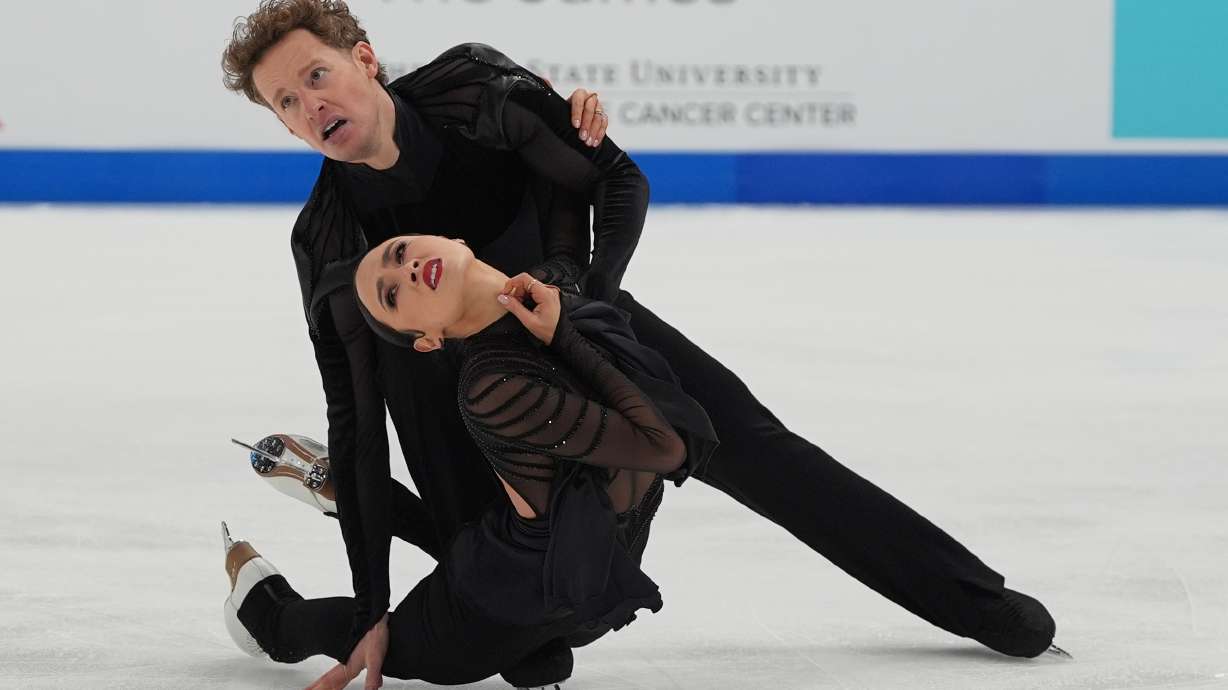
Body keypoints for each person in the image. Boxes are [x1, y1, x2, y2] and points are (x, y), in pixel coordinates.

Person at [220, 0, 1065, 686]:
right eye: (286, 103)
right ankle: (363, 508)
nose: (310, 106)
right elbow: (361, 419)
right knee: (532, 648)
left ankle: (973, 600)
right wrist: (372, 601)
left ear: (365, 58)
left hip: (580, 315)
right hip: (452, 401)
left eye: (316, 76)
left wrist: (581, 303)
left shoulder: (474, 91)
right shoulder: (328, 243)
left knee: (759, 449)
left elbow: (618, 179)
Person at [223, 234, 718, 689]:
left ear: (451, 240)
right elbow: (663, 448)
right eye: (393, 295)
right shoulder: (493, 385)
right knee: (394, 648)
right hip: (497, 600)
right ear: (429, 338)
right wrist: (563, 335)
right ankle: (259, 607)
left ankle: (354, 495)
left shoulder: (550, 302)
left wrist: (563, 324)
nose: (408, 271)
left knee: (544, 659)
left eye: (399, 254)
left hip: (588, 573)